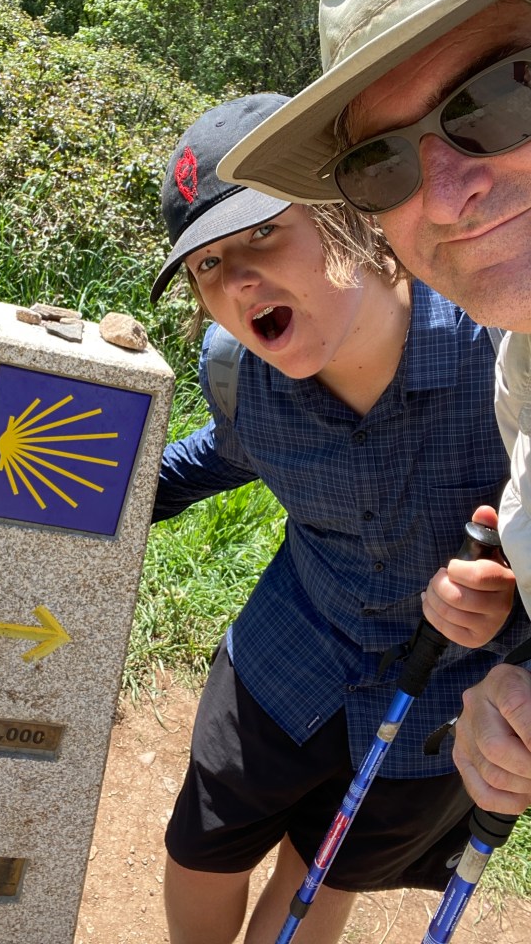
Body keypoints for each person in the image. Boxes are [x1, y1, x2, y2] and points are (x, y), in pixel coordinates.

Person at [150, 92, 527, 944]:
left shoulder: (501, 356)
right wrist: (84, 494)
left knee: (323, 871)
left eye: (262, 232)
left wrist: (508, 603)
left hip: (440, 701)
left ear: (345, 209)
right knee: (205, 842)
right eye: (206, 264)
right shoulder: (238, 370)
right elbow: (227, 454)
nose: (235, 280)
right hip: (288, 656)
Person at [217, 0, 531, 819]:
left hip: (408, 746)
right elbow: (225, 454)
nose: (446, 193)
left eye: (500, 94)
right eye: (380, 162)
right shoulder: (518, 368)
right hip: (283, 676)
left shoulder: (478, 352)